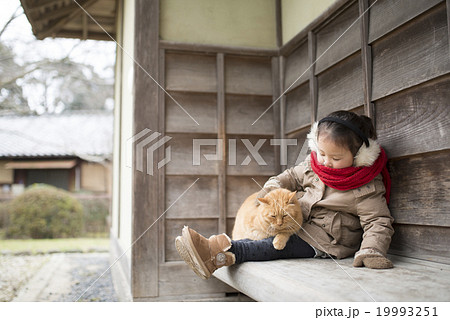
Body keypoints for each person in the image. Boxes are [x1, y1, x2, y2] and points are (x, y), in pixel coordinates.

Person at [175, 110, 394, 279]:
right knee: (265, 234)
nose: (326, 161)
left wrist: (371, 250)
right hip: (298, 224)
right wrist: (270, 190)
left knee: (274, 246)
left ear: (358, 155)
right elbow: (289, 176)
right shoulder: (314, 164)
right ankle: (223, 253)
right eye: (322, 153)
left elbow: (378, 221)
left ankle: (216, 251)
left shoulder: (365, 186)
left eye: (335, 158)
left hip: (326, 241)